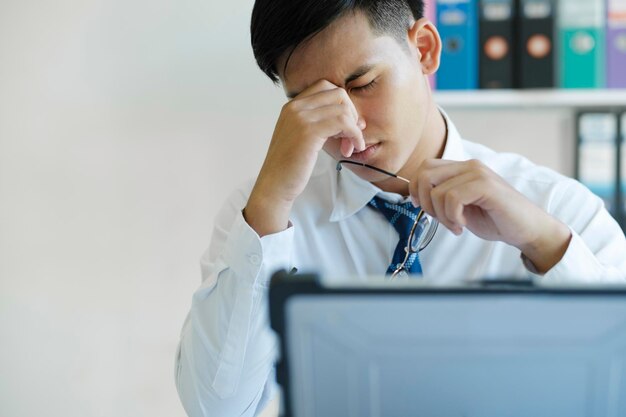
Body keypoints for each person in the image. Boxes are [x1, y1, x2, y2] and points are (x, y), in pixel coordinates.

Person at [175, 1, 626, 416]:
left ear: (425, 50)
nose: (349, 129)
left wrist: (544, 243)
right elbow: (217, 409)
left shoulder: (558, 208)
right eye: (312, 106)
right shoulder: (261, 216)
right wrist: (270, 208)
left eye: (364, 84)